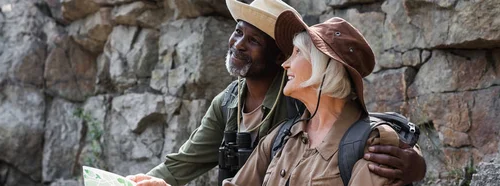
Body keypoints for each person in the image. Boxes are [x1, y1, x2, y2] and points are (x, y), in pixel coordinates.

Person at [127, 0, 426, 185]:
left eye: (254, 40)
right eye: (238, 32)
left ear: (276, 55)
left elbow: (358, 131)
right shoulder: (245, 113)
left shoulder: (300, 102)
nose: (238, 44)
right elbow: (185, 162)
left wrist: (415, 163)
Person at [223, 10, 419, 186]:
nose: (285, 64)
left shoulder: (372, 144)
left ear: (324, 67)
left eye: (297, 53)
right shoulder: (280, 137)